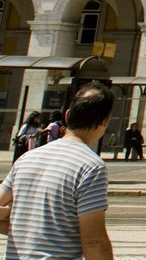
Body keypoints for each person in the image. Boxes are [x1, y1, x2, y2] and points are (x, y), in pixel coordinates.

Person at [0, 84, 116, 260]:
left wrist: (19, 221)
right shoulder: (91, 167)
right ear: (105, 121)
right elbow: (94, 242)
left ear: (67, 115)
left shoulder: (26, 159)